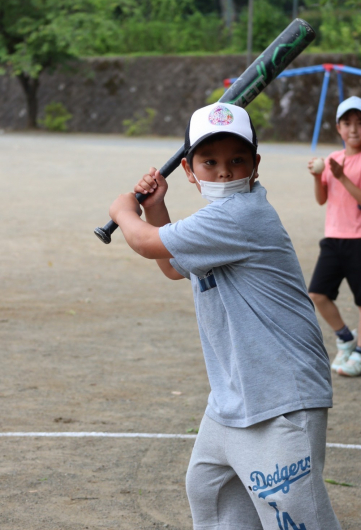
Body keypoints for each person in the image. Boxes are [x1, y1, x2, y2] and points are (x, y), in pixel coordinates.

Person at [109, 103, 341, 530]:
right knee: (212, 496)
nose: (223, 173)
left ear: (255, 164)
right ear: (189, 170)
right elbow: (173, 266)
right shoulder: (214, 223)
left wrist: (125, 211)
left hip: (281, 399)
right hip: (233, 399)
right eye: (209, 162)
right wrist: (156, 208)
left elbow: (145, 243)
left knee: (295, 521)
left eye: (236, 161)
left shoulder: (242, 215)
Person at [308, 96, 361, 378]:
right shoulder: (333, 159)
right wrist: (318, 176)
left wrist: (341, 175)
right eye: (347, 123)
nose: (353, 129)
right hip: (334, 237)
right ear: (338, 128)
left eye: (360, 124)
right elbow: (321, 200)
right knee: (317, 293)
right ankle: (345, 338)